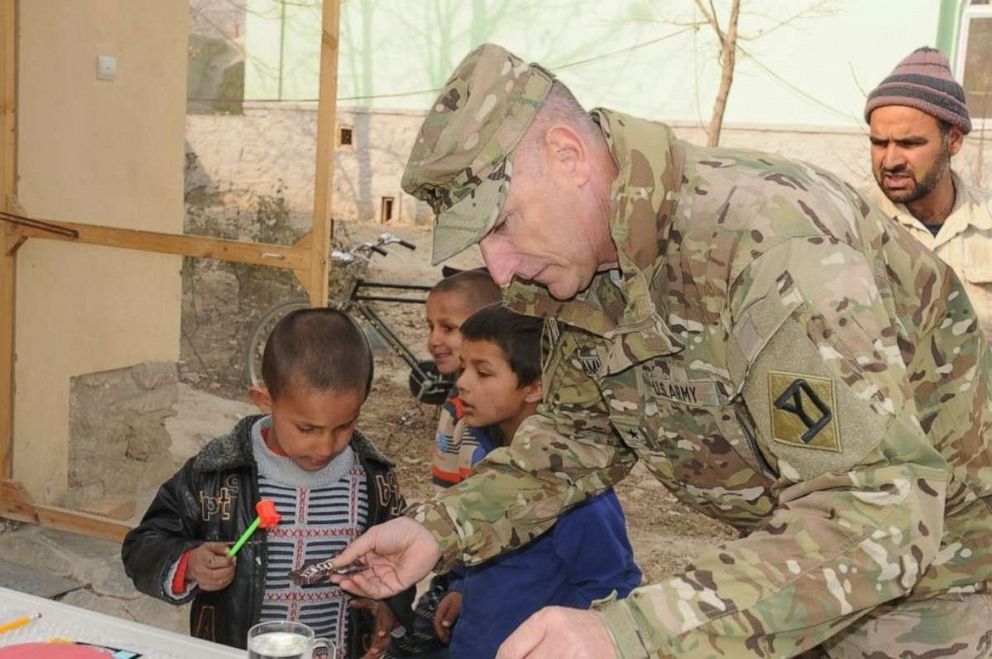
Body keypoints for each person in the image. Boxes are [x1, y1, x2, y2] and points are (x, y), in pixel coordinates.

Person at [329, 43, 992, 658]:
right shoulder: (577, 261)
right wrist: (438, 528)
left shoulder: (770, 244)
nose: (499, 271)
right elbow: (575, 437)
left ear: (568, 155)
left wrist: (627, 631)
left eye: (502, 223)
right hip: (801, 557)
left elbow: (878, 511)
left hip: (934, 581)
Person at [122, 308, 413, 655]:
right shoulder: (216, 475)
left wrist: (389, 609)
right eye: (307, 429)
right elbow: (143, 545)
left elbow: (403, 561)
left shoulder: (375, 482)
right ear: (265, 402)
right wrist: (190, 563)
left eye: (344, 426)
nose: (325, 446)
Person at [432, 303, 641, 658]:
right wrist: (463, 589)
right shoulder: (490, 458)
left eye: (482, 373)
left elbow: (611, 584)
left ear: (534, 387)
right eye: (463, 367)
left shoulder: (574, 489)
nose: (462, 383)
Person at [865, 46, 992, 340]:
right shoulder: (846, 223)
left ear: (954, 141)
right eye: (879, 143)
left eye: (910, 144)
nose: (891, 161)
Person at [426, 270, 502, 490]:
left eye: (448, 328)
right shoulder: (457, 396)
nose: (434, 340)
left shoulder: (488, 410)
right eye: (431, 327)